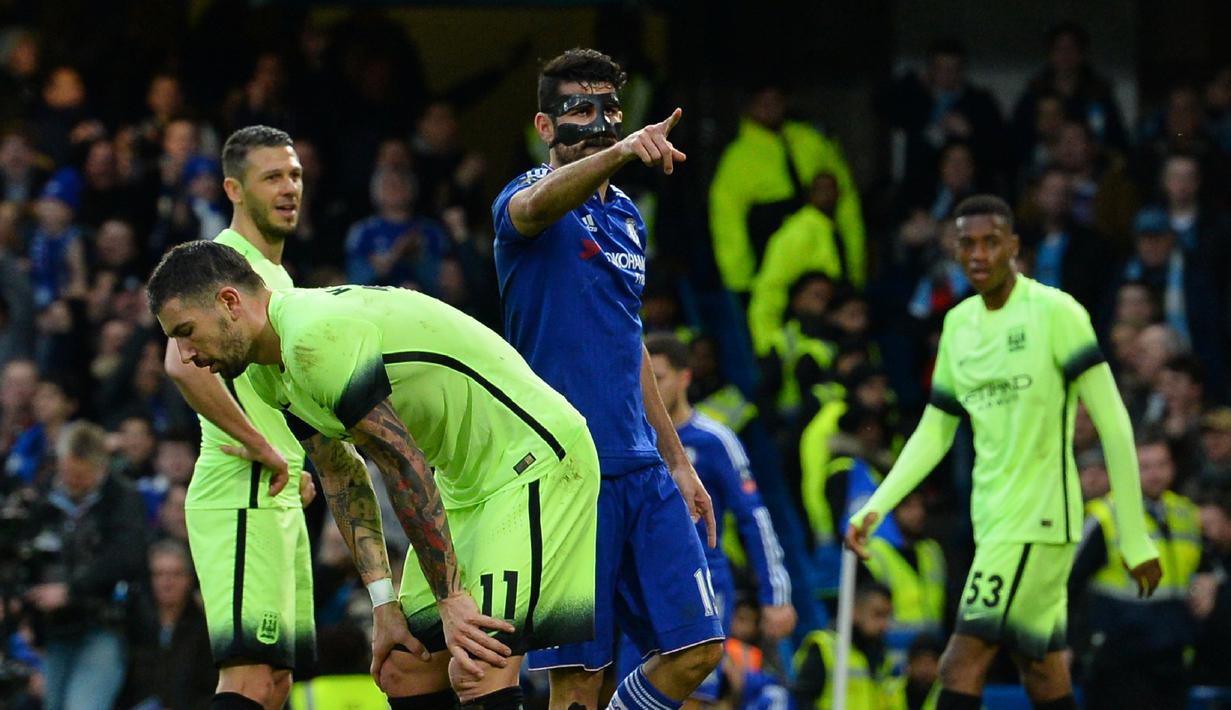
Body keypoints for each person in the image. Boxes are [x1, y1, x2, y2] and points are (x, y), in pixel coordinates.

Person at [146, 239, 602, 709]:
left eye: (187, 332)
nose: (185, 354)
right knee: (403, 668)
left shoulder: (311, 338)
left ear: (229, 302)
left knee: (477, 662)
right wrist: (384, 604)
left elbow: (401, 461)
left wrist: (450, 597)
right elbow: (341, 475)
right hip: (462, 484)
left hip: (530, 462)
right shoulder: (265, 369)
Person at [845, 195, 1161, 710]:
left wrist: (1134, 533)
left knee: (960, 663)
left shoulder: (1056, 313)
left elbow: (1114, 424)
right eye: (967, 243)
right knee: (1042, 673)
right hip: (992, 520)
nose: (978, 254)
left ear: (1014, 246)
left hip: (1041, 520)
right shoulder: (958, 325)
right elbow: (934, 431)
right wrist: (877, 506)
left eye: (991, 242)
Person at [491, 47, 723, 710]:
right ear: (544, 125)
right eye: (580, 110)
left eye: (610, 111)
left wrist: (677, 460)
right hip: (565, 472)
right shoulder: (523, 199)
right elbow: (534, 207)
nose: (598, 123)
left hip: (643, 470)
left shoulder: (627, 215)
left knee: (698, 651)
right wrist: (619, 152)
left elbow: (630, 342)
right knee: (578, 682)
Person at [160, 125, 317, 710]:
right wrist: (264, 447)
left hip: (273, 494)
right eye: (272, 177)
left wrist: (291, 456)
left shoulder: (276, 277)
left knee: (274, 686)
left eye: (294, 175)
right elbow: (179, 362)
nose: (288, 188)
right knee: (248, 681)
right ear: (233, 188)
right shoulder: (222, 262)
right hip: (240, 491)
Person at [620, 334, 795, 707]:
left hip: (703, 581)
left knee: (692, 696)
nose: (649, 387)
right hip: (637, 582)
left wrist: (775, 595)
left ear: (685, 377)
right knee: (632, 692)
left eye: (659, 377)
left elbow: (754, 518)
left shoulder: (715, 440)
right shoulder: (632, 442)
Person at [1069, 437, 1202, 710]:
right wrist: (1066, 642)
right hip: (1118, 656)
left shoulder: (1185, 512)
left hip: (1172, 653)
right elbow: (1069, 583)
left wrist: (1210, 577)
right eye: (1145, 466)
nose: (1155, 474)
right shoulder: (1106, 515)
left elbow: (1201, 564)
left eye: (1162, 464)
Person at [27, 421, 149, 710]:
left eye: (80, 475)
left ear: (101, 468)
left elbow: (127, 556)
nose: (71, 481)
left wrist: (71, 590)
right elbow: (27, 550)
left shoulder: (122, 497)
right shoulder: (44, 496)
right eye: (67, 472)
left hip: (103, 622)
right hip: (53, 626)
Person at [710, 82, 866, 292]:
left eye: (776, 101)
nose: (770, 108)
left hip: (824, 261)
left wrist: (854, 267)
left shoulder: (812, 142)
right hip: (771, 263)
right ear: (749, 106)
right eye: (762, 102)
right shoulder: (738, 158)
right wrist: (740, 281)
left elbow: (846, 203)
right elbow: (727, 221)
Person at [792, 582, 897, 710]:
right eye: (878, 614)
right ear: (855, 611)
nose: (884, 624)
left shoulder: (882, 657)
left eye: (887, 616)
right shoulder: (826, 647)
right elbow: (802, 700)